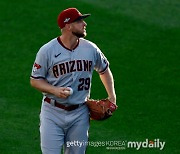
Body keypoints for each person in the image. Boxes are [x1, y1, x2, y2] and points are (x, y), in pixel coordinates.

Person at [30, 7, 116, 154]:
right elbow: (35, 80)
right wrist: (54, 90)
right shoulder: (47, 50)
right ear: (68, 26)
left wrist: (112, 97)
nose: (84, 24)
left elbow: (104, 70)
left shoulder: (91, 49)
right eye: (79, 21)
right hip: (52, 113)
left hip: (80, 113)